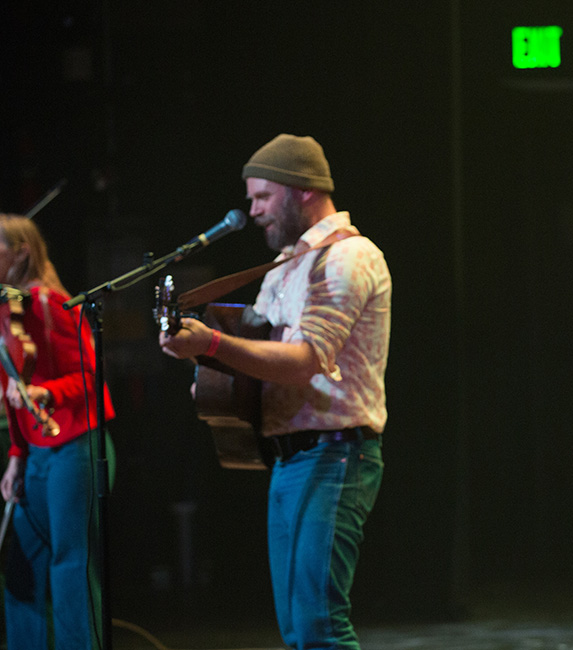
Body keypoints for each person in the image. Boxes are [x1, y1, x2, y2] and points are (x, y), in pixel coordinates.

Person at [159, 134, 390, 650]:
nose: (253, 209)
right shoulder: (289, 263)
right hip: (290, 458)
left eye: (262, 196)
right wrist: (204, 358)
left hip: (335, 455)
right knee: (298, 631)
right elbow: (256, 349)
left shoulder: (348, 258)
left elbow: (306, 360)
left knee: (319, 628)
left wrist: (214, 342)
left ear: (302, 190)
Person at [0, 213, 116, 649]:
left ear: (20, 254)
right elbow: (10, 385)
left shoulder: (49, 304)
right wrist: (16, 454)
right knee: (21, 570)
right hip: (36, 453)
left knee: (70, 565)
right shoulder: (6, 307)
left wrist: (45, 393)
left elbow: (90, 377)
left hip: (75, 444)